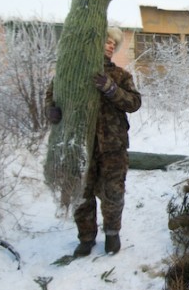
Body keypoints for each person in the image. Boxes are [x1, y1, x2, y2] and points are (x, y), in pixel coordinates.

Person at [46, 26, 142, 256]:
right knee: (82, 193)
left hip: (113, 146)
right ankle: (86, 238)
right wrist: (52, 111)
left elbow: (134, 103)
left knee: (113, 191)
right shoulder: (71, 73)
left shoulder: (120, 76)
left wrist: (110, 89)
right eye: (106, 41)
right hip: (80, 146)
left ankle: (112, 234)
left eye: (113, 43)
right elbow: (53, 95)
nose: (110, 46)